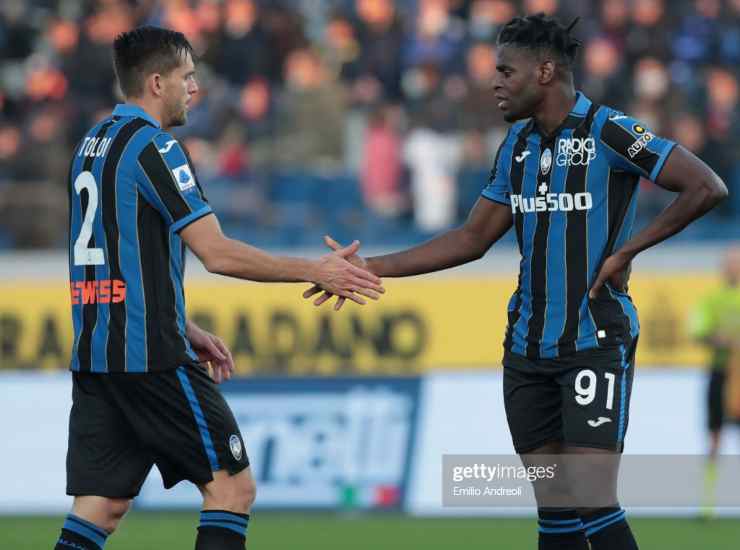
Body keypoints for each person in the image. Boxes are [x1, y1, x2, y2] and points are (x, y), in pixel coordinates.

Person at [304, 13, 727, 550]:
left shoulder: (610, 131)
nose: (495, 82)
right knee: (554, 509)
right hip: (526, 348)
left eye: (506, 70)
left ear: (545, 71)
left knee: (593, 498)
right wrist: (371, 267)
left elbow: (705, 187)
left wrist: (627, 251)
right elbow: (470, 238)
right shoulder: (516, 148)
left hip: (593, 339)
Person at [57, 26, 384, 550]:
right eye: (188, 77)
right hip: (151, 359)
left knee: (101, 507)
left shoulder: (89, 147)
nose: (195, 88)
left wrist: (182, 321)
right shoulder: (154, 148)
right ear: (157, 82)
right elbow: (217, 253)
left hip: (98, 357)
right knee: (232, 489)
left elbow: (107, 260)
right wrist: (315, 269)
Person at [689, 246, 740, 518]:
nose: (733, 268)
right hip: (720, 373)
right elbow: (698, 332)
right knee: (714, 437)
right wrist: (720, 339)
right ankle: (708, 503)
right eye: (730, 263)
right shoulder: (711, 299)